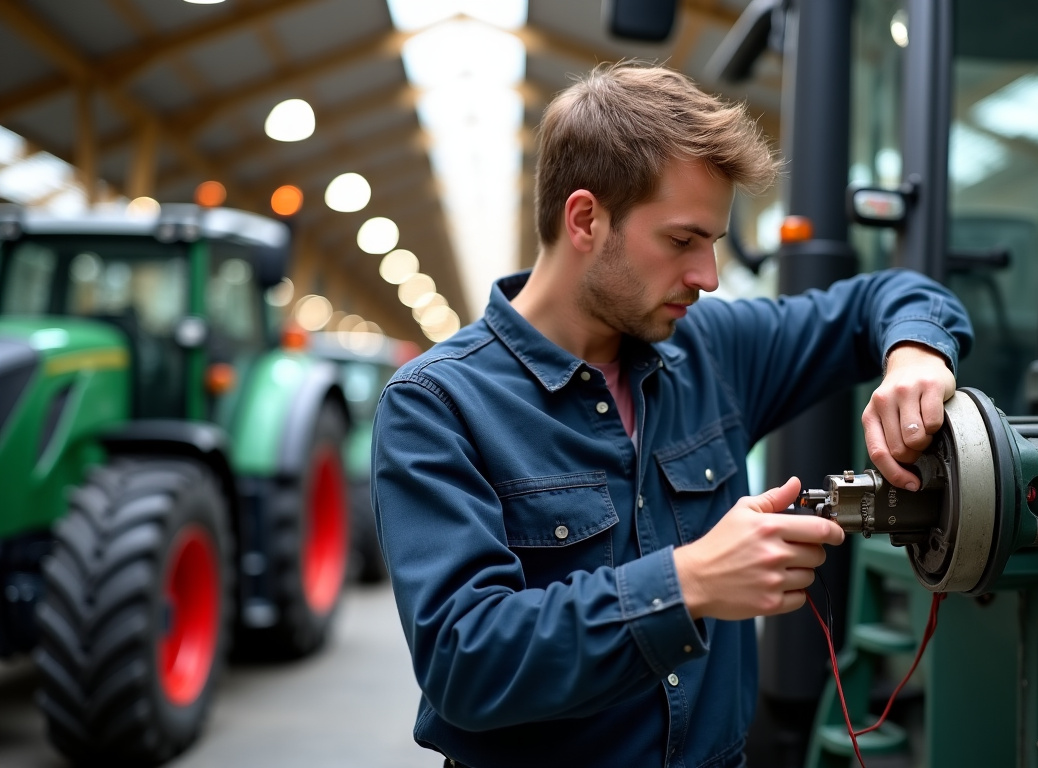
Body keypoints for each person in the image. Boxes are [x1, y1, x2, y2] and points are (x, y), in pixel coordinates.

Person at [371, 62, 973, 768]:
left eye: (713, 245)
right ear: (586, 219)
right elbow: (463, 661)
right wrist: (689, 583)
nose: (707, 278)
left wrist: (914, 354)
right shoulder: (437, 405)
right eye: (682, 242)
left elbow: (896, 293)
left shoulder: (711, 353)